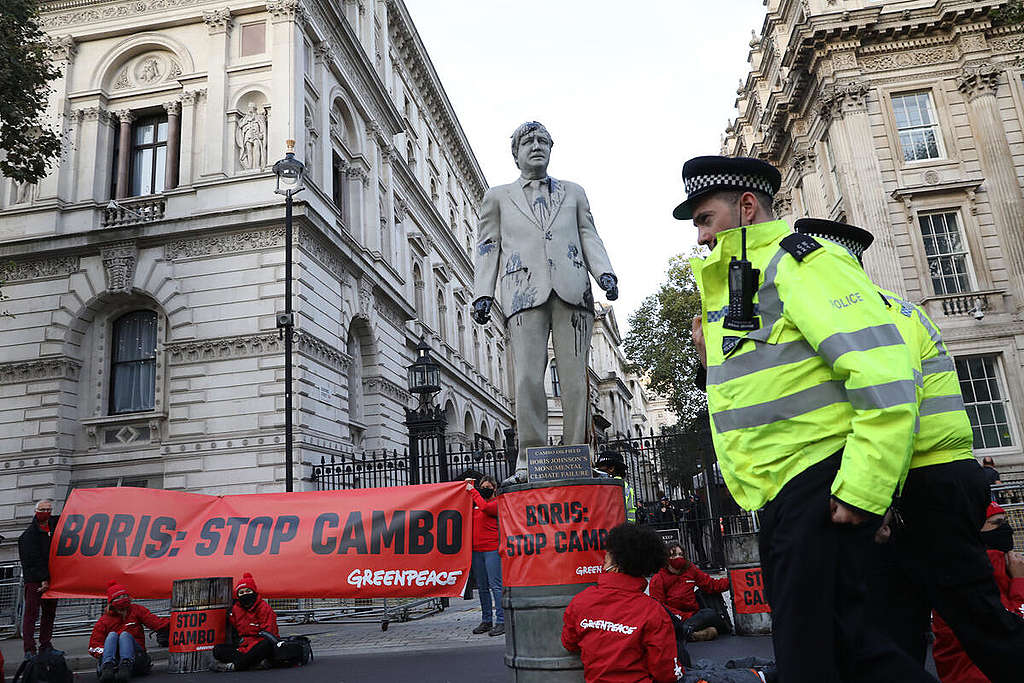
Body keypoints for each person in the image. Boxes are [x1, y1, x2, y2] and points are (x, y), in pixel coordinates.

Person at [679, 156, 934, 682]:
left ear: (745, 207)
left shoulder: (800, 261)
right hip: (784, 493)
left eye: (705, 218)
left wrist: (863, 489)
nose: (700, 236)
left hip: (819, 484)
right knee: (852, 654)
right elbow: (758, 383)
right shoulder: (738, 281)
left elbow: (882, 372)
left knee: (815, 660)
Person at [794, 218, 1024, 681]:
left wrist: (876, 500)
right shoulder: (898, 309)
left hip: (922, 481)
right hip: (933, 478)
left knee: (971, 623)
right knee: (905, 626)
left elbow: (890, 408)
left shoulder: (867, 315)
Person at [471, 121, 619, 486]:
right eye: (528, 141)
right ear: (516, 153)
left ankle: (578, 455)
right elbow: (488, 246)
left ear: (551, 148)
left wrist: (605, 274)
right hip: (522, 293)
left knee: (575, 380)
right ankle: (528, 456)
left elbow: (589, 234)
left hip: (574, 290)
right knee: (525, 377)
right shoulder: (497, 197)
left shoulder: (574, 192)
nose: (536, 146)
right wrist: (483, 292)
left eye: (542, 141)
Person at [562, 523, 773, 683]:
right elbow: (667, 674)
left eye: (606, 557)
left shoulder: (580, 602)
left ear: (615, 564)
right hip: (667, 664)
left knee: (707, 666)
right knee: (711, 674)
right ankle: (763, 674)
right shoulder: (652, 611)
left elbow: (569, 642)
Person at [931, 502, 1024, 683]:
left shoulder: (1004, 565)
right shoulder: (966, 575)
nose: (1007, 529)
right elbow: (1011, 627)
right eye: (997, 523)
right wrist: (1020, 582)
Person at [649, 542, 730, 642]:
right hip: (674, 618)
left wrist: (732, 581)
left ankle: (686, 633)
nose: (678, 558)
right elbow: (659, 607)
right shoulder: (658, 578)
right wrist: (682, 617)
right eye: (673, 555)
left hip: (695, 616)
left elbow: (711, 584)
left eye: (680, 554)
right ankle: (688, 632)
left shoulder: (690, 569)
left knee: (709, 614)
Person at [89, 581, 168, 682]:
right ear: (112, 601)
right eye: (119, 597)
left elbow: (155, 622)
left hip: (136, 655)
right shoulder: (104, 620)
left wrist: (174, 622)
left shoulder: (136, 610)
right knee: (112, 635)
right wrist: (105, 653)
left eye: (124, 596)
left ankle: (125, 665)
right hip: (114, 656)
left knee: (124, 635)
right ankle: (107, 666)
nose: (123, 599)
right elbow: (93, 646)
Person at [211, 573, 279, 672]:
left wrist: (251, 647)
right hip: (244, 647)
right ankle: (254, 663)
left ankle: (233, 666)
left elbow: (269, 634)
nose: (245, 594)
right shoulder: (236, 609)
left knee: (265, 645)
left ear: (254, 592)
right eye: (241, 593)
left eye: (248, 591)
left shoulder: (264, 607)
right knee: (218, 649)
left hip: (261, 644)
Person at [18, 499, 60, 659]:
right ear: (36, 510)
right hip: (35, 580)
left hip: (49, 578)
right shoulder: (29, 534)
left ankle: (45, 645)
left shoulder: (52, 526)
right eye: (43, 509)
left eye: (49, 509)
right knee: (31, 615)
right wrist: (43, 579)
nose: (46, 512)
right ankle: (29, 649)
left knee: (49, 614)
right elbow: (33, 559)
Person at [464, 475, 504, 637]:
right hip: (476, 551)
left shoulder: (496, 503)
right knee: (482, 587)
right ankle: (486, 620)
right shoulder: (475, 505)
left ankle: (501, 621)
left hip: (492, 550)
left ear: (494, 489)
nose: (485, 490)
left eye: (488, 487)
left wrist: (473, 491)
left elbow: (486, 508)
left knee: (496, 586)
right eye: (483, 487)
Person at [594, 451, 637, 522]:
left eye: (600, 468)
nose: (597, 471)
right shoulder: (626, 486)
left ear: (611, 468)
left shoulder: (612, 486)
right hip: (623, 529)